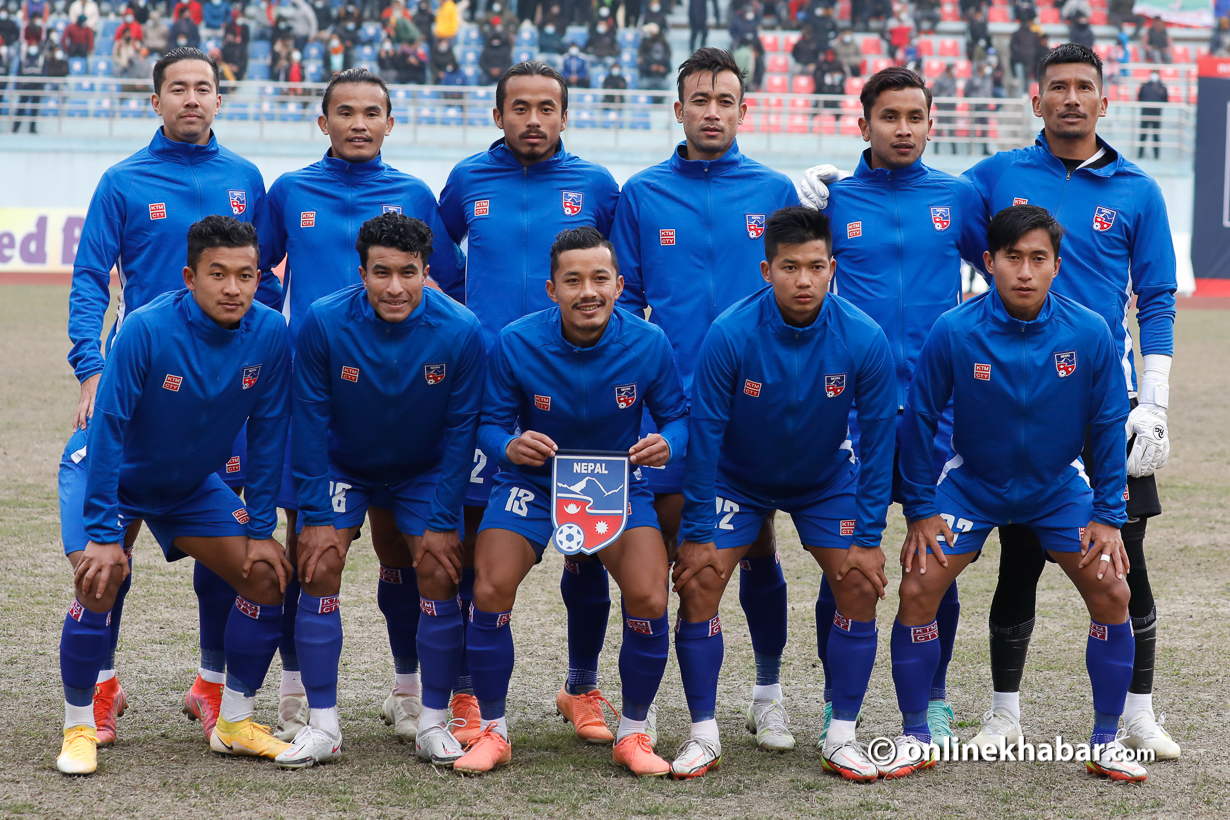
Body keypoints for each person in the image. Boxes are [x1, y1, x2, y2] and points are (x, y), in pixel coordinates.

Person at [960, 43, 1180, 761]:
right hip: (1023, 402)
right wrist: (838, 196)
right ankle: (1003, 715)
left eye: (1085, 87)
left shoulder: (1138, 191)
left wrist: (1154, 402)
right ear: (1037, 100)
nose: (1072, 99)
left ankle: (1139, 714)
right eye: (1058, 87)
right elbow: (932, 214)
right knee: (1018, 557)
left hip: (1110, 406)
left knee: (1125, 561)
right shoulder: (997, 176)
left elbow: (1154, 301)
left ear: (1105, 102)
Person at [62, 49, 281, 752]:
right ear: (154, 100)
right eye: (178, 89)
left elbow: (262, 280)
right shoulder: (123, 180)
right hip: (139, 384)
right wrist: (91, 368)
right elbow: (92, 275)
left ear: (220, 100)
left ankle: (213, 687)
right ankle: (100, 688)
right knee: (109, 555)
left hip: (220, 398)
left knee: (234, 552)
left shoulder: (246, 178)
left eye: (205, 89)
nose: (192, 99)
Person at [894, 204, 1145, 782]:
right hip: (972, 485)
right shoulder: (954, 330)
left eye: (1038, 258)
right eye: (1012, 258)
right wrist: (921, 507)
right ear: (989, 263)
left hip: (1058, 489)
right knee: (917, 586)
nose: (1025, 271)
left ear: (1058, 265)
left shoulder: (1089, 332)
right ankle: (914, 734)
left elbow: (1107, 426)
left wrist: (1109, 515)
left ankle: (1106, 740)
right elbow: (920, 419)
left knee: (1112, 590)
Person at [262, 66, 465, 744]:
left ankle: (410, 693)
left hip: (404, 401)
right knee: (311, 549)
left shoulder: (412, 194)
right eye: (343, 111)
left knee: (401, 555)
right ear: (322, 122)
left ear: (389, 122)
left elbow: (449, 285)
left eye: (371, 111)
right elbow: (255, 272)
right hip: (317, 398)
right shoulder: (289, 191)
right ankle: (297, 694)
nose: (357, 122)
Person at [610, 48, 801, 761]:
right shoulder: (644, 192)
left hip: (758, 410)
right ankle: (652, 709)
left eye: (725, 100)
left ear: (743, 110)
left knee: (759, 548)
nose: (712, 111)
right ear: (679, 108)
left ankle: (769, 697)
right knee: (678, 562)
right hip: (671, 413)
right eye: (700, 99)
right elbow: (623, 306)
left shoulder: (775, 187)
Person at [55, 216, 293, 776]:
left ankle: (233, 722)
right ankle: (79, 725)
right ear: (190, 276)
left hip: (186, 486)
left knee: (267, 575)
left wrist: (260, 529)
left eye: (246, 275)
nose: (233, 288)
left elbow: (266, 436)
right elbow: (108, 431)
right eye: (217, 274)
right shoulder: (145, 327)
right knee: (100, 577)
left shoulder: (270, 333)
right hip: (107, 476)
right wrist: (104, 533)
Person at [797, 66, 988, 761]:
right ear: (863, 125)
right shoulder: (835, 199)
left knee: (936, 557)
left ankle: (933, 702)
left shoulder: (956, 196)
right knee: (844, 562)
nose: (902, 129)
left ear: (931, 123)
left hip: (941, 411)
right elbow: (803, 278)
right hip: (854, 412)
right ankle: (833, 708)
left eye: (915, 116)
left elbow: (999, 268)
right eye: (889, 117)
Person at [452, 227, 688, 777]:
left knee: (651, 595)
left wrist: (668, 442)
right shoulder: (516, 340)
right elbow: (487, 423)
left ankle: (633, 735)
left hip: (615, 483)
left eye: (600, 279)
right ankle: (493, 729)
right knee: (488, 585)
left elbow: (679, 417)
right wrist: (509, 445)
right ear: (551, 290)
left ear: (619, 285)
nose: (588, 291)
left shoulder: (648, 342)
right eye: (573, 280)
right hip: (533, 482)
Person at [672, 206, 896, 780]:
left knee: (859, 583)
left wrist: (869, 538)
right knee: (698, 584)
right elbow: (704, 439)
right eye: (790, 267)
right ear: (766, 269)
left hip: (823, 480)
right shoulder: (730, 333)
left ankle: (841, 735)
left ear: (832, 268)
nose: (804, 280)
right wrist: (696, 533)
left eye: (816, 267)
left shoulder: (864, 338)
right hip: (737, 480)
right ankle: (704, 734)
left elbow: (877, 449)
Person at [439, 60, 621, 746]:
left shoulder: (597, 185)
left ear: (566, 116)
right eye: (520, 107)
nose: (534, 120)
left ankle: (580, 687)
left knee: (586, 547)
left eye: (548, 107)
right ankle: (465, 693)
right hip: (486, 393)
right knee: (474, 549)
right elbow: (439, 260)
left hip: (579, 395)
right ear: (498, 115)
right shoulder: (467, 181)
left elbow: (616, 283)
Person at [272, 214, 484, 769]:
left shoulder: (461, 330)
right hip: (346, 466)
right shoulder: (322, 321)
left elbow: (463, 432)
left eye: (408, 273)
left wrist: (442, 518)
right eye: (381, 273)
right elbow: (310, 422)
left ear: (426, 271)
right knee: (316, 564)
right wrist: (315, 513)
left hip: (422, 470)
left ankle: (432, 721)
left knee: (440, 569)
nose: (395, 287)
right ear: (361, 272)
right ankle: (323, 725)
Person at [12, 43, 45, 133]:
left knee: (34, 109)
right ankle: (15, 128)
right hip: (25, 87)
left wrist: (41, 87)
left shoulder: (41, 58)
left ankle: (32, 129)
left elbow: (45, 74)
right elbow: (18, 73)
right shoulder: (23, 58)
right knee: (21, 108)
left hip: (36, 87)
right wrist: (18, 87)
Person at [930, 62, 957, 151]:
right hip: (943, 107)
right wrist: (940, 104)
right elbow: (934, 91)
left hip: (951, 108)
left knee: (952, 130)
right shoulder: (940, 80)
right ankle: (936, 149)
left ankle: (954, 150)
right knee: (940, 129)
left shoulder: (954, 79)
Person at [638, 22, 670, 91]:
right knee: (643, 84)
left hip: (661, 77)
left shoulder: (662, 42)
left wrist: (662, 69)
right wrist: (650, 68)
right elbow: (642, 66)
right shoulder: (645, 42)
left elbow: (669, 68)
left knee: (665, 85)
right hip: (648, 76)